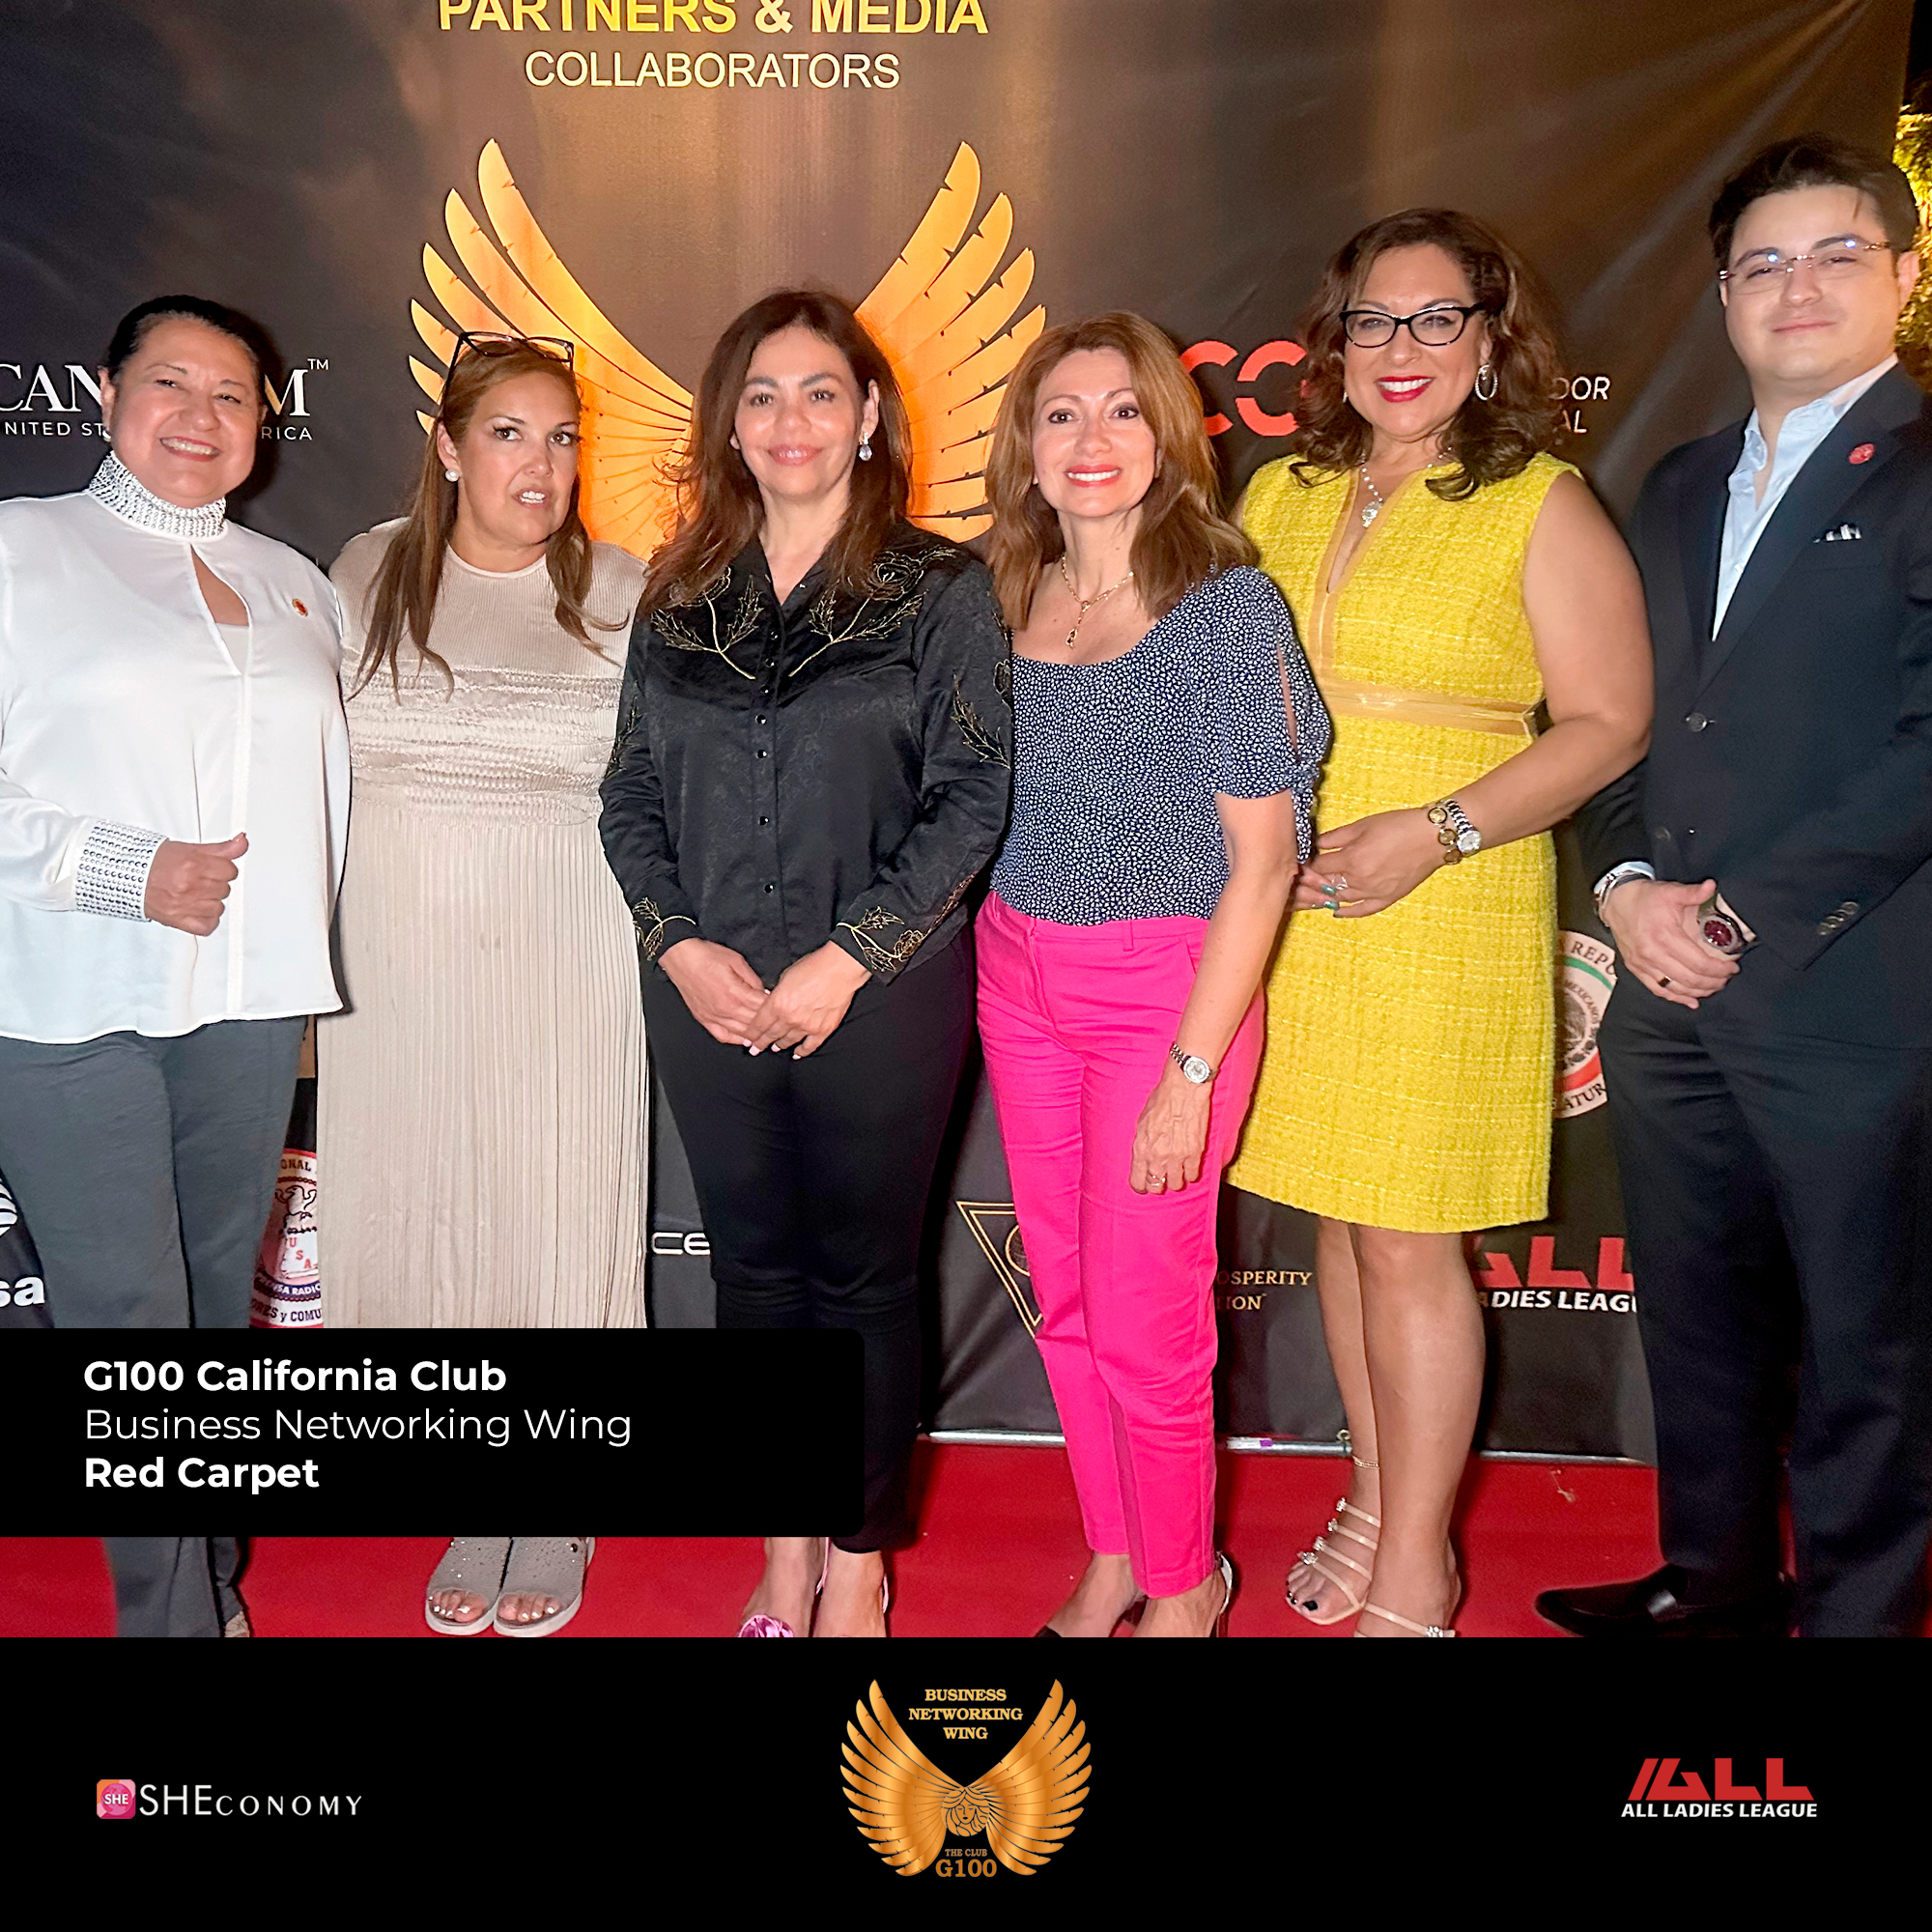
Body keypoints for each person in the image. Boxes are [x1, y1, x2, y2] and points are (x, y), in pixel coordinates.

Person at [1226, 211, 1653, 1636]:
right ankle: (1370, 1493)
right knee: (1344, 1219)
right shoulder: (1281, 491)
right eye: (1372, 320)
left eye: (1434, 319)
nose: (1399, 348)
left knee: (1412, 1238)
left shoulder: (1543, 500)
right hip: (1296, 901)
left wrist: (1439, 831)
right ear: (1334, 341)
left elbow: (1609, 722)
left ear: (1489, 338)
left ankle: (1419, 1556)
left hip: (1448, 896)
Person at [1540, 134, 1932, 1639]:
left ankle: (1857, 1617)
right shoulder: (1679, 484)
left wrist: (1742, 909)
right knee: (1698, 1311)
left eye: (1837, 253)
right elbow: (1619, 713)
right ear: (1722, 297)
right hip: (1665, 982)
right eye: (1762, 263)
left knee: (1864, 1340)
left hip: (1853, 994)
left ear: (1903, 275)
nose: (1797, 286)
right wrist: (1629, 882)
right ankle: (1711, 1583)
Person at [600, 290, 1011, 1637]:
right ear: (729, 423)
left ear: (870, 416)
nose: (792, 420)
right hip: (706, 994)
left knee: (863, 1283)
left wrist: (849, 959)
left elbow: (973, 794)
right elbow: (629, 795)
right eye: (763, 394)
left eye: (821, 391)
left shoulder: (941, 589)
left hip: (884, 996)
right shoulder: (678, 594)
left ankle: (860, 1559)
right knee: (753, 1279)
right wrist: (678, 946)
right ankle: (785, 1550)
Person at [0, 295, 351, 1635]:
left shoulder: (295, 581)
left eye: (232, 394)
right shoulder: (22, 549)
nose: (201, 415)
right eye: (170, 383)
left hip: (248, 1011)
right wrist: (117, 866)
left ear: (265, 422)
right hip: (62, 1002)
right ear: (105, 394)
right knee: (129, 1328)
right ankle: (172, 1621)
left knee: (206, 1315)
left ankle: (207, 1571)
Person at [977, 314, 1326, 1638]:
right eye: (1061, 413)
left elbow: (1264, 864)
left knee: (1147, 1322)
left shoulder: (1223, 610)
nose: (1093, 440)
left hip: (1163, 999)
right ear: (1024, 445)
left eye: (1124, 411)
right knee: (1065, 1302)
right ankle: (1116, 1551)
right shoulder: (1001, 596)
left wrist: (1190, 1072)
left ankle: (1186, 1585)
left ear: (1171, 438)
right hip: (1016, 980)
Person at [319, 333, 643, 1635]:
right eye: (510, 433)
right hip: (398, 950)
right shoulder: (365, 571)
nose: (541, 464)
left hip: (564, 941)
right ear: (449, 446)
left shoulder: (621, 590)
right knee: (438, 1199)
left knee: (554, 1204)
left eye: (563, 438)